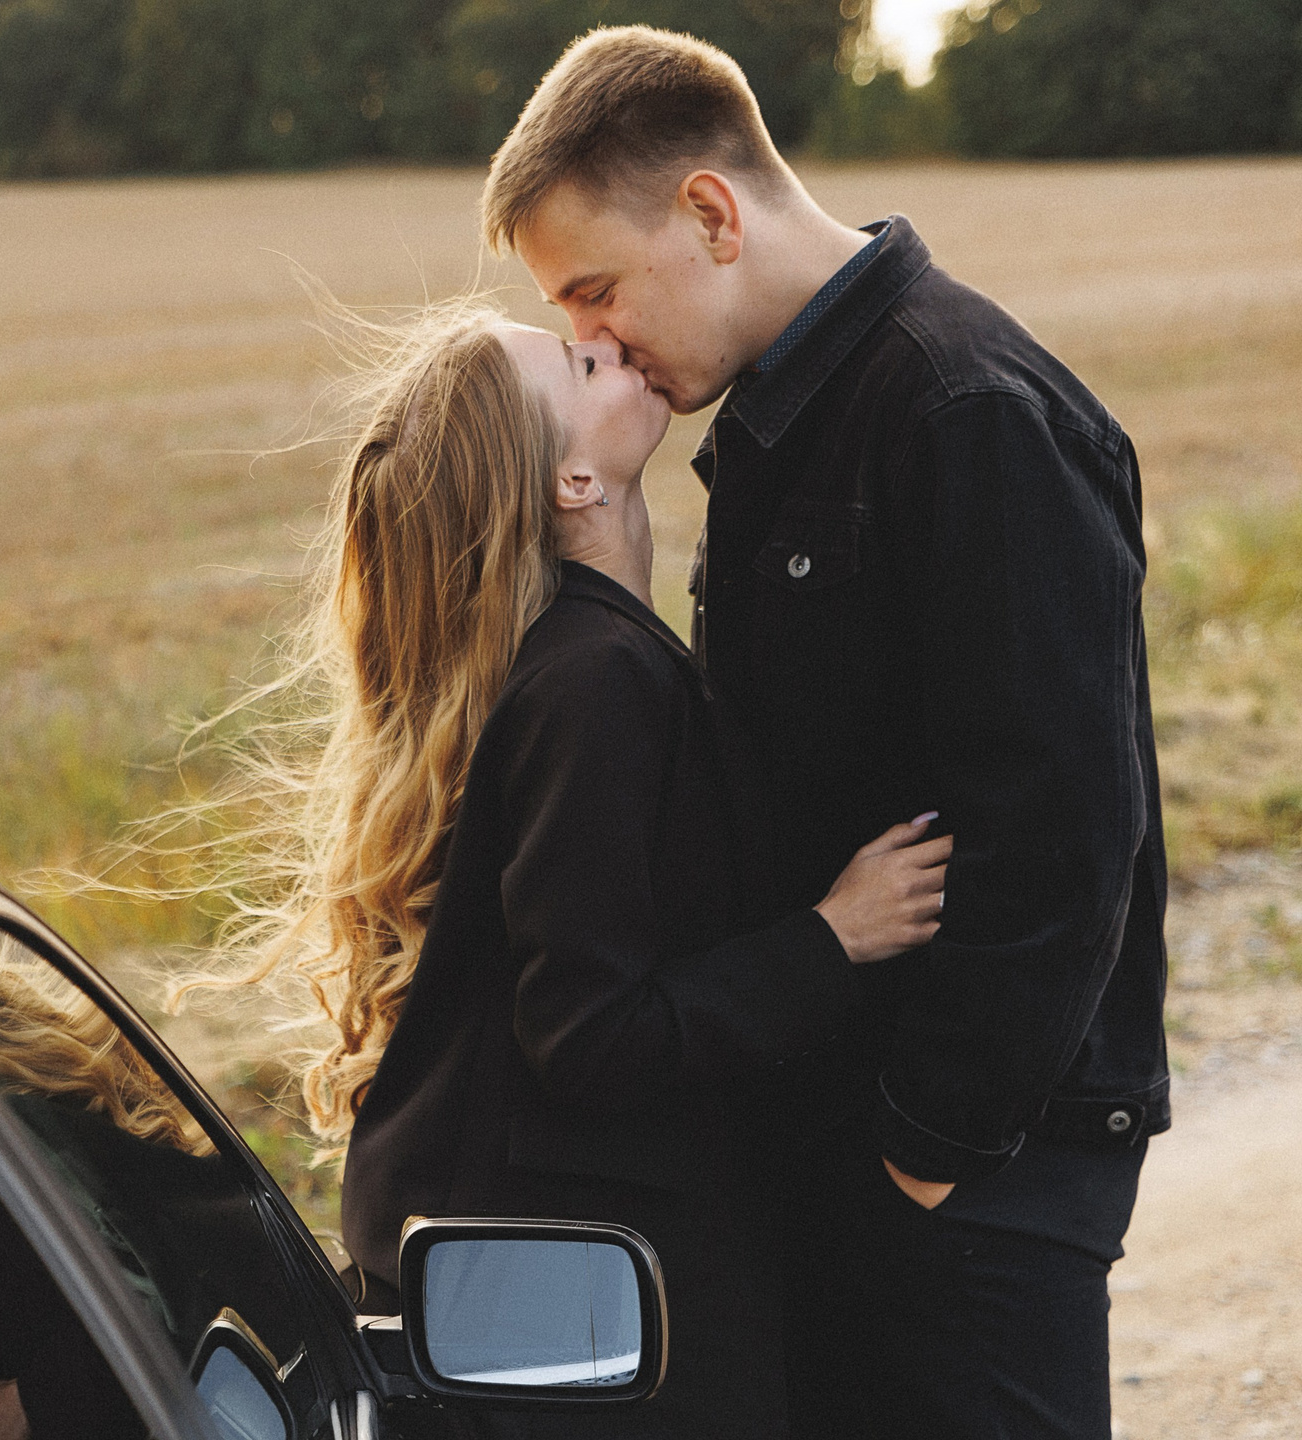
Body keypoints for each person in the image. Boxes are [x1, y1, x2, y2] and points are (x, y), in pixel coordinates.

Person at [479, 27, 1169, 1440]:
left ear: (712, 215)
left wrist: (928, 1149)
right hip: (850, 1137)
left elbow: (1066, 832)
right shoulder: (786, 420)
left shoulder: (963, 409)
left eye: (596, 292)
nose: (597, 343)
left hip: (976, 1169)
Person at [188, 297, 947, 1436]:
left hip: (521, 1294)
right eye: (585, 364)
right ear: (572, 486)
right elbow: (589, 1035)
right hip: (572, 1320)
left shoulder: (582, 658)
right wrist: (828, 939)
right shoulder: (593, 682)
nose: (621, 348)